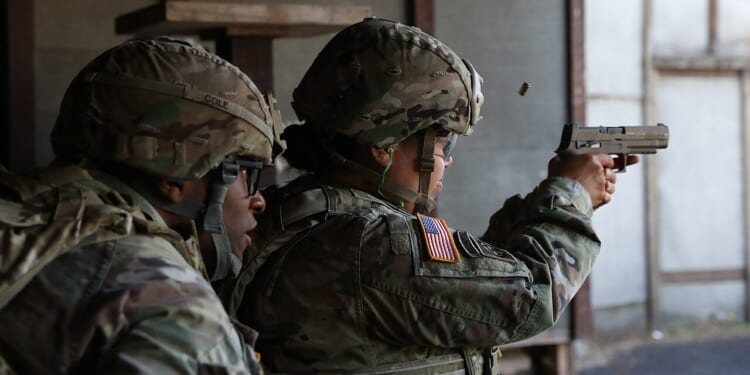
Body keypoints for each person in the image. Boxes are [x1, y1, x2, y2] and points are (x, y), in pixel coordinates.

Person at [226, 18, 638, 373]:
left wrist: (546, 199)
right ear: (383, 146)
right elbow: (530, 298)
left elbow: (461, 287)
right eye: (441, 143)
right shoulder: (368, 244)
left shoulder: (304, 212)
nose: (447, 162)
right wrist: (571, 194)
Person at [0, 37, 283, 373]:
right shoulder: (172, 303)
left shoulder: (27, 215)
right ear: (177, 177)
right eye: (248, 175)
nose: (260, 200)